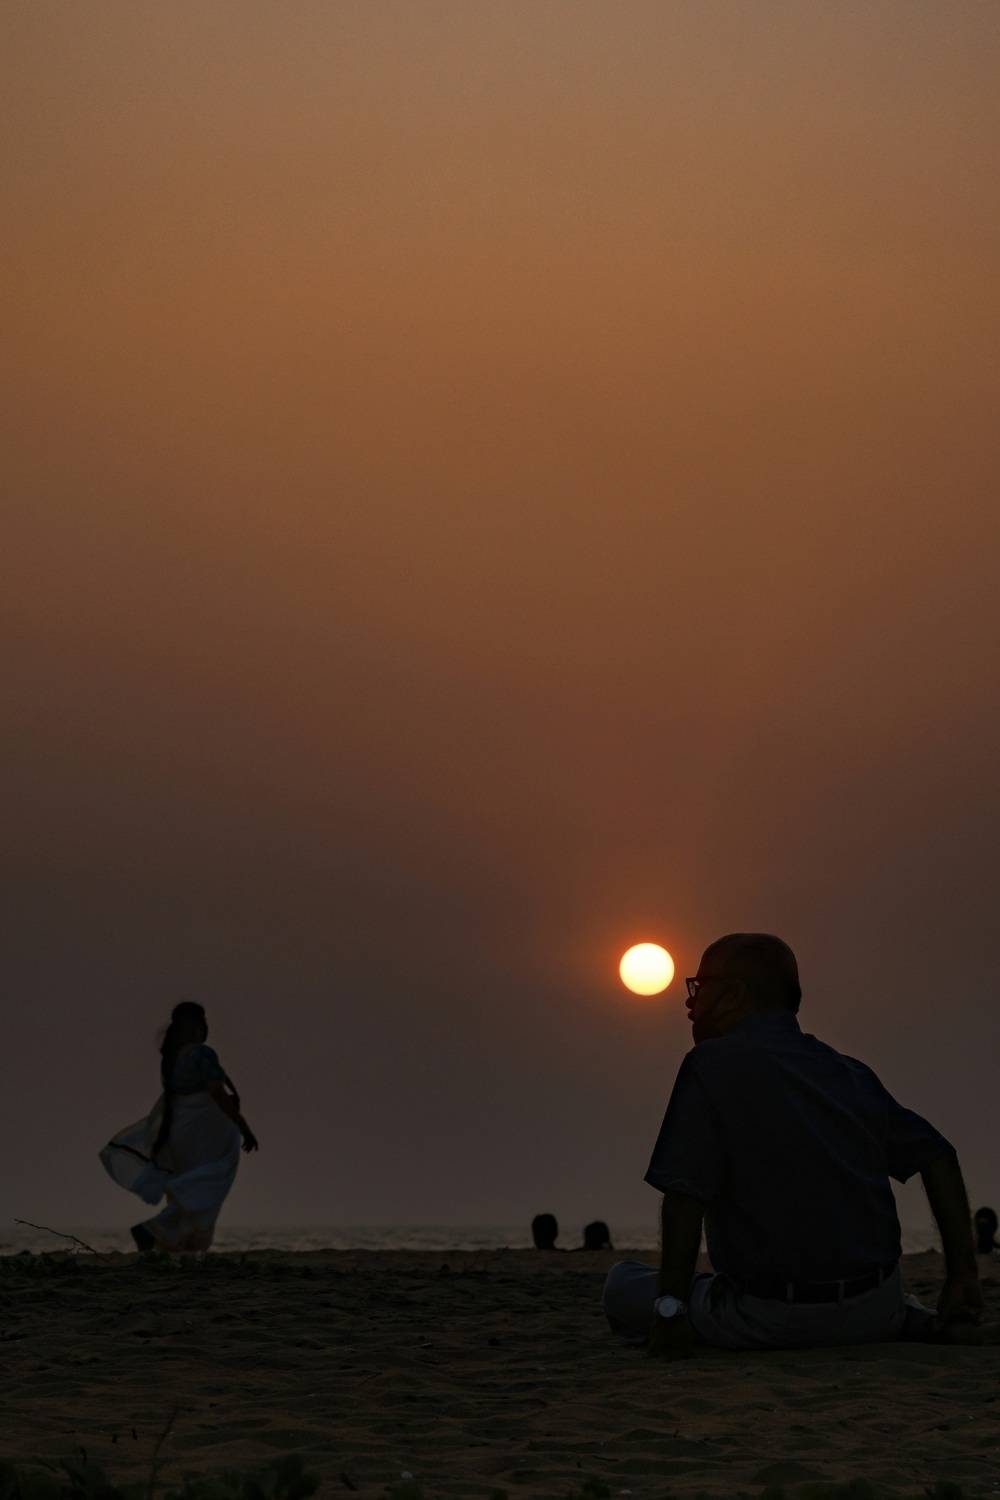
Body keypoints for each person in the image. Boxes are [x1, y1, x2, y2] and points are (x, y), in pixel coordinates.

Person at [603, 933, 983, 1355]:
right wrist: (962, 1275)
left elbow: (684, 1198)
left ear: (733, 995)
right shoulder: (849, 1073)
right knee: (881, 1305)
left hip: (769, 1314)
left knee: (622, 1283)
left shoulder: (710, 1065)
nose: (690, 1004)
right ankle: (919, 1321)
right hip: (874, 1308)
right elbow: (938, 1155)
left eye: (699, 987)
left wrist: (670, 1311)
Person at [100, 1001, 258, 1253]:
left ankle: (180, 1244)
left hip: (182, 1134)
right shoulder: (201, 1054)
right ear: (197, 1026)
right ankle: (156, 1230)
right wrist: (243, 1126)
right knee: (207, 1182)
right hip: (204, 1136)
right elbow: (216, 1092)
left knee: (198, 1183)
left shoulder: (171, 1059)